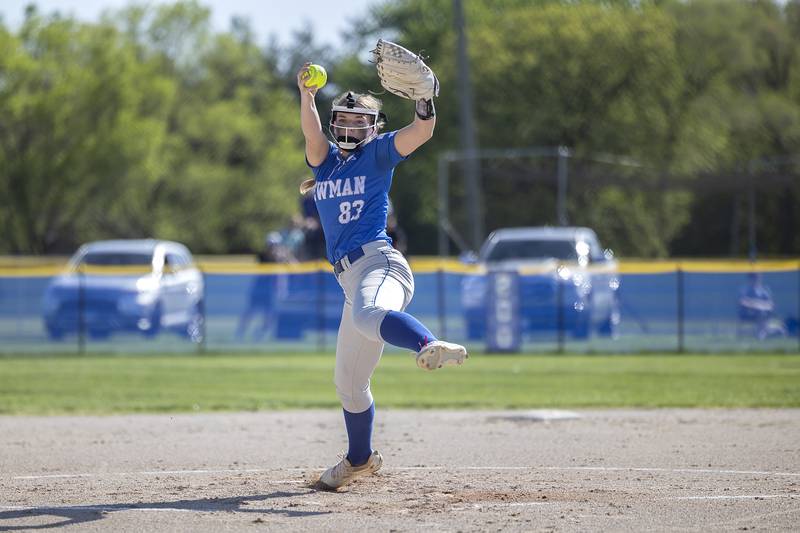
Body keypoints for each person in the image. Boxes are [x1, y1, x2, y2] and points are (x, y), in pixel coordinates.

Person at [296, 61, 468, 491]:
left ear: (374, 127)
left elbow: (422, 132)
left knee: (366, 313)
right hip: (350, 278)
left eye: (360, 121)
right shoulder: (325, 163)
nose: (351, 126)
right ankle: (359, 460)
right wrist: (306, 95)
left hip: (380, 264)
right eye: (344, 119)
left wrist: (425, 102)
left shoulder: (378, 153)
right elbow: (311, 135)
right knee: (349, 385)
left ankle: (428, 345)